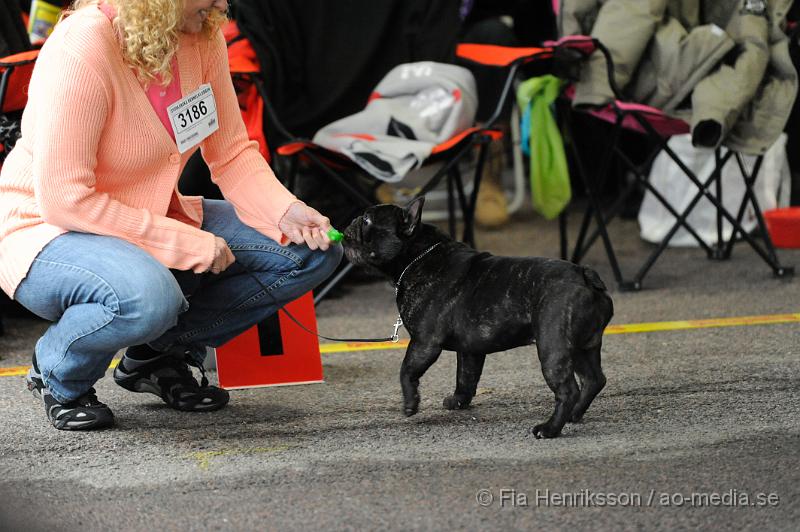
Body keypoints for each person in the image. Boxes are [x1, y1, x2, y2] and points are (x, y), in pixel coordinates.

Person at [0, 0, 343, 431]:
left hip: (148, 215)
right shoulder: (83, 44)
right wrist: (180, 241)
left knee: (309, 254)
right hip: (47, 229)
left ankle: (157, 356)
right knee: (150, 297)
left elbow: (233, 152)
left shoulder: (203, 33)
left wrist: (286, 210)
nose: (223, 4)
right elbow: (66, 199)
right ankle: (58, 371)